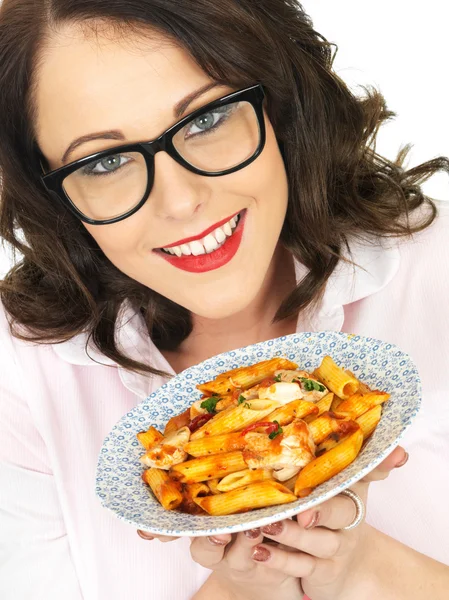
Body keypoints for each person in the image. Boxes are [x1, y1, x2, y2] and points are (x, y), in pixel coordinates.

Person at [0, 1, 448, 599]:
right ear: (53, 197)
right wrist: (243, 589)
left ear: (280, 104)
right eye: (104, 161)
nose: (181, 201)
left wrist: (361, 570)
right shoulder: (20, 377)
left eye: (206, 119)